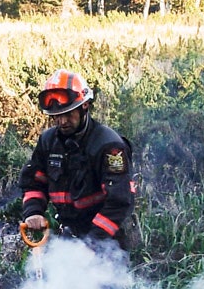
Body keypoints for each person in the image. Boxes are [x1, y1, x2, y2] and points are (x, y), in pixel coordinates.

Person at [19, 70, 135, 251]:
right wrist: (33, 212)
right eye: (56, 116)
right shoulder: (48, 141)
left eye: (68, 114)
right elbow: (34, 183)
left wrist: (91, 244)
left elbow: (119, 201)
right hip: (67, 234)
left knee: (104, 279)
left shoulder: (109, 146)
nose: (62, 121)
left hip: (107, 240)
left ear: (84, 107)